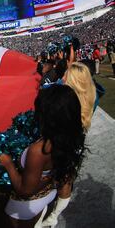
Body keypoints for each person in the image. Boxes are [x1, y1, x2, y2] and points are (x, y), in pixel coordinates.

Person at [0, 85, 85, 228]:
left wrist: (8, 163)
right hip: (48, 196)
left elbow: (25, 191)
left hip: (25, 208)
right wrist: (49, 178)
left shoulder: (39, 151)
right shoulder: (74, 134)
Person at [41, 62, 96, 227]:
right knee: (67, 179)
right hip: (75, 144)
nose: (63, 77)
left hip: (63, 145)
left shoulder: (67, 101)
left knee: (55, 180)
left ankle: (50, 215)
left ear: (75, 80)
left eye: (67, 75)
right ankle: (54, 216)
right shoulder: (88, 95)